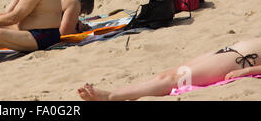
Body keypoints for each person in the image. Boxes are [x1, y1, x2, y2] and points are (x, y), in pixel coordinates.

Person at [78, 37, 261, 101]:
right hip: (231, 52)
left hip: (240, 61)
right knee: (169, 75)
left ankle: (111, 97)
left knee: (172, 79)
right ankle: (118, 94)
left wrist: (245, 72)